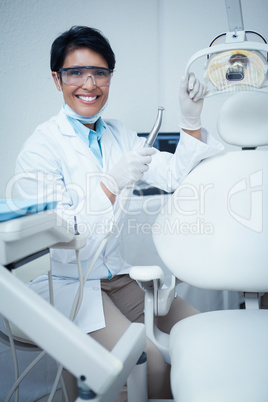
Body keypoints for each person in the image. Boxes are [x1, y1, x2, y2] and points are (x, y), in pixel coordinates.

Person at [14, 26, 223, 400]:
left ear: (110, 77)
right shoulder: (40, 149)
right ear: (56, 79)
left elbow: (173, 176)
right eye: (75, 72)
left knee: (199, 331)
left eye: (100, 72)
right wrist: (110, 184)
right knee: (151, 362)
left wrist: (190, 121)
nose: (89, 83)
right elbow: (64, 230)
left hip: (116, 274)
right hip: (71, 282)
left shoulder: (119, 134)